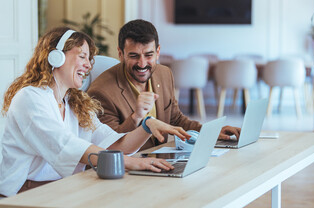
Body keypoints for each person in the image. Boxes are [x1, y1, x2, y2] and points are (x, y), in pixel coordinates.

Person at [0, 27, 191, 197]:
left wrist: (147, 125)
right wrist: (132, 164)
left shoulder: (73, 103)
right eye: (82, 56)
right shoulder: (30, 98)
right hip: (23, 195)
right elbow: (67, 146)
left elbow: (116, 144)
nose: (88, 65)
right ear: (56, 57)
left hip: (61, 189)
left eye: (89, 58)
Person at [87, 19, 241, 150]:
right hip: (129, 167)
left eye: (149, 55)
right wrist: (136, 117)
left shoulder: (164, 73)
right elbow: (110, 145)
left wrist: (211, 132)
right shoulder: (101, 91)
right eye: (134, 56)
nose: (142, 64)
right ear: (120, 54)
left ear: (158, 51)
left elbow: (176, 119)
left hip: (160, 159)